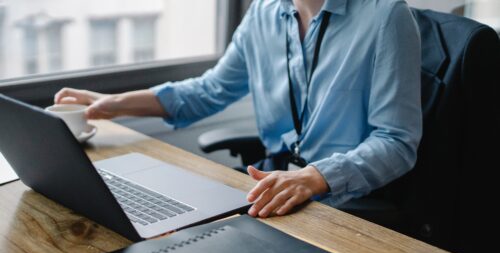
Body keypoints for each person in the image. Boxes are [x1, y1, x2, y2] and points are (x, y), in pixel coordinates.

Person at [54, 0, 422, 219]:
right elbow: (210, 90)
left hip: (346, 201)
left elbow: (396, 142)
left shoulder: (386, 16)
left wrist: (313, 177)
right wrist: (111, 105)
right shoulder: (263, 13)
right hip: (273, 184)